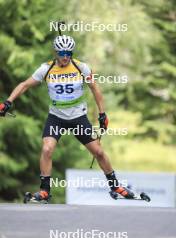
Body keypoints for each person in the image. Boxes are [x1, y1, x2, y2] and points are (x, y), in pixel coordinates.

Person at [0, 35, 134, 202]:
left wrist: (102, 114)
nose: (65, 56)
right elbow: (24, 85)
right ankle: (45, 191)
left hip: (78, 117)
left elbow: (95, 89)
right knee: (47, 149)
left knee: (98, 152)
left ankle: (115, 186)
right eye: (62, 52)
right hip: (56, 117)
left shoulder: (81, 67)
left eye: (68, 53)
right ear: (56, 52)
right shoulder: (46, 69)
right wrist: (7, 102)